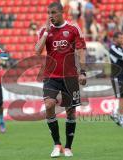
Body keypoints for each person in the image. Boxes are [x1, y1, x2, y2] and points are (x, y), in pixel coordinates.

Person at [35, 2, 87, 158]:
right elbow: (37, 51)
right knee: (49, 105)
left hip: (70, 76)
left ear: (61, 12)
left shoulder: (73, 29)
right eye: (48, 13)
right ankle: (57, 144)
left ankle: (68, 147)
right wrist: (46, 33)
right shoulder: (44, 30)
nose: (50, 16)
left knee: (71, 112)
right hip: (51, 76)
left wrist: (82, 72)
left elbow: (81, 50)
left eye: (53, 13)